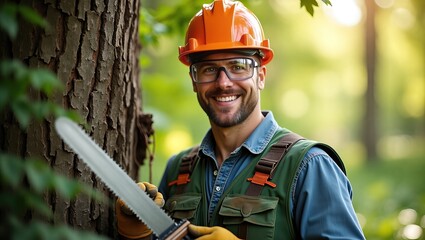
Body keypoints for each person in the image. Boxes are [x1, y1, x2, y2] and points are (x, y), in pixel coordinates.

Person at [116, 0, 366, 239]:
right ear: (194, 80)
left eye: (238, 66)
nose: (223, 82)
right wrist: (137, 235)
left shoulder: (309, 166)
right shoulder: (178, 170)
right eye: (209, 69)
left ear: (261, 76)